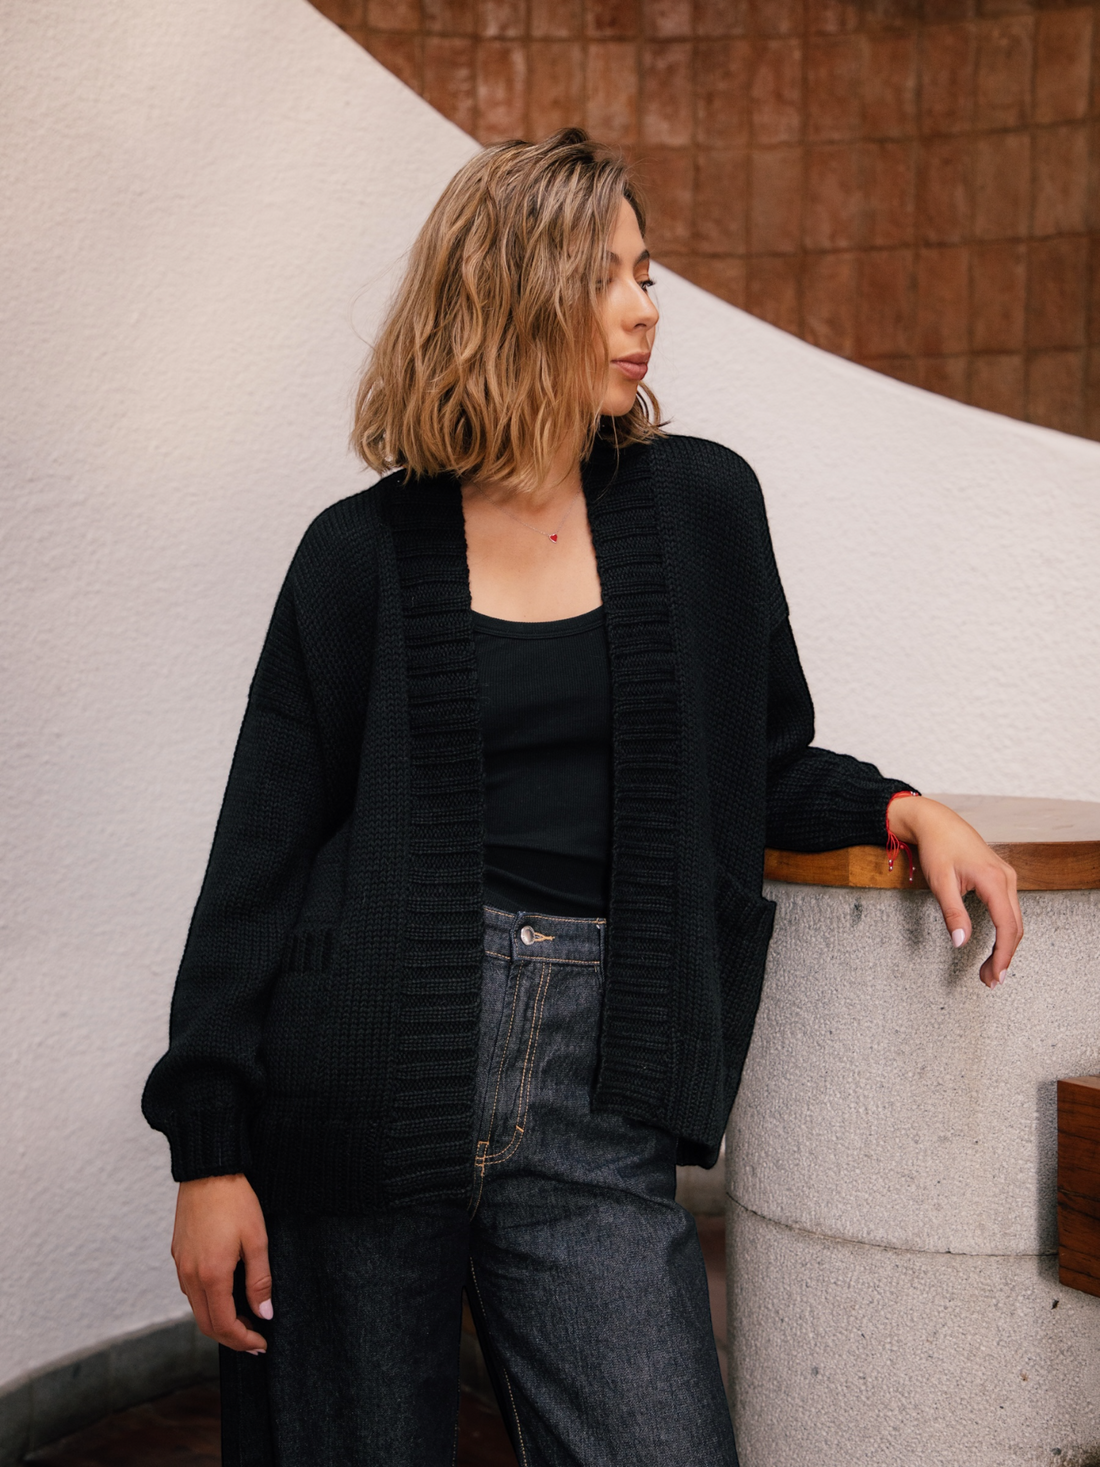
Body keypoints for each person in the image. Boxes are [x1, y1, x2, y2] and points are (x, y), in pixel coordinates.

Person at [142, 128, 1023, 1467]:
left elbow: (762, 760)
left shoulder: (702, 507)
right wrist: (209, 1153)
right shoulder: (357, 559)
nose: (644, 308)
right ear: (504, 296)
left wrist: (904, 807)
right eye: (604, 276)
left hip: (596, 1102)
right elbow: (257, 865)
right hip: (361, 1094)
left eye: (648, 272)